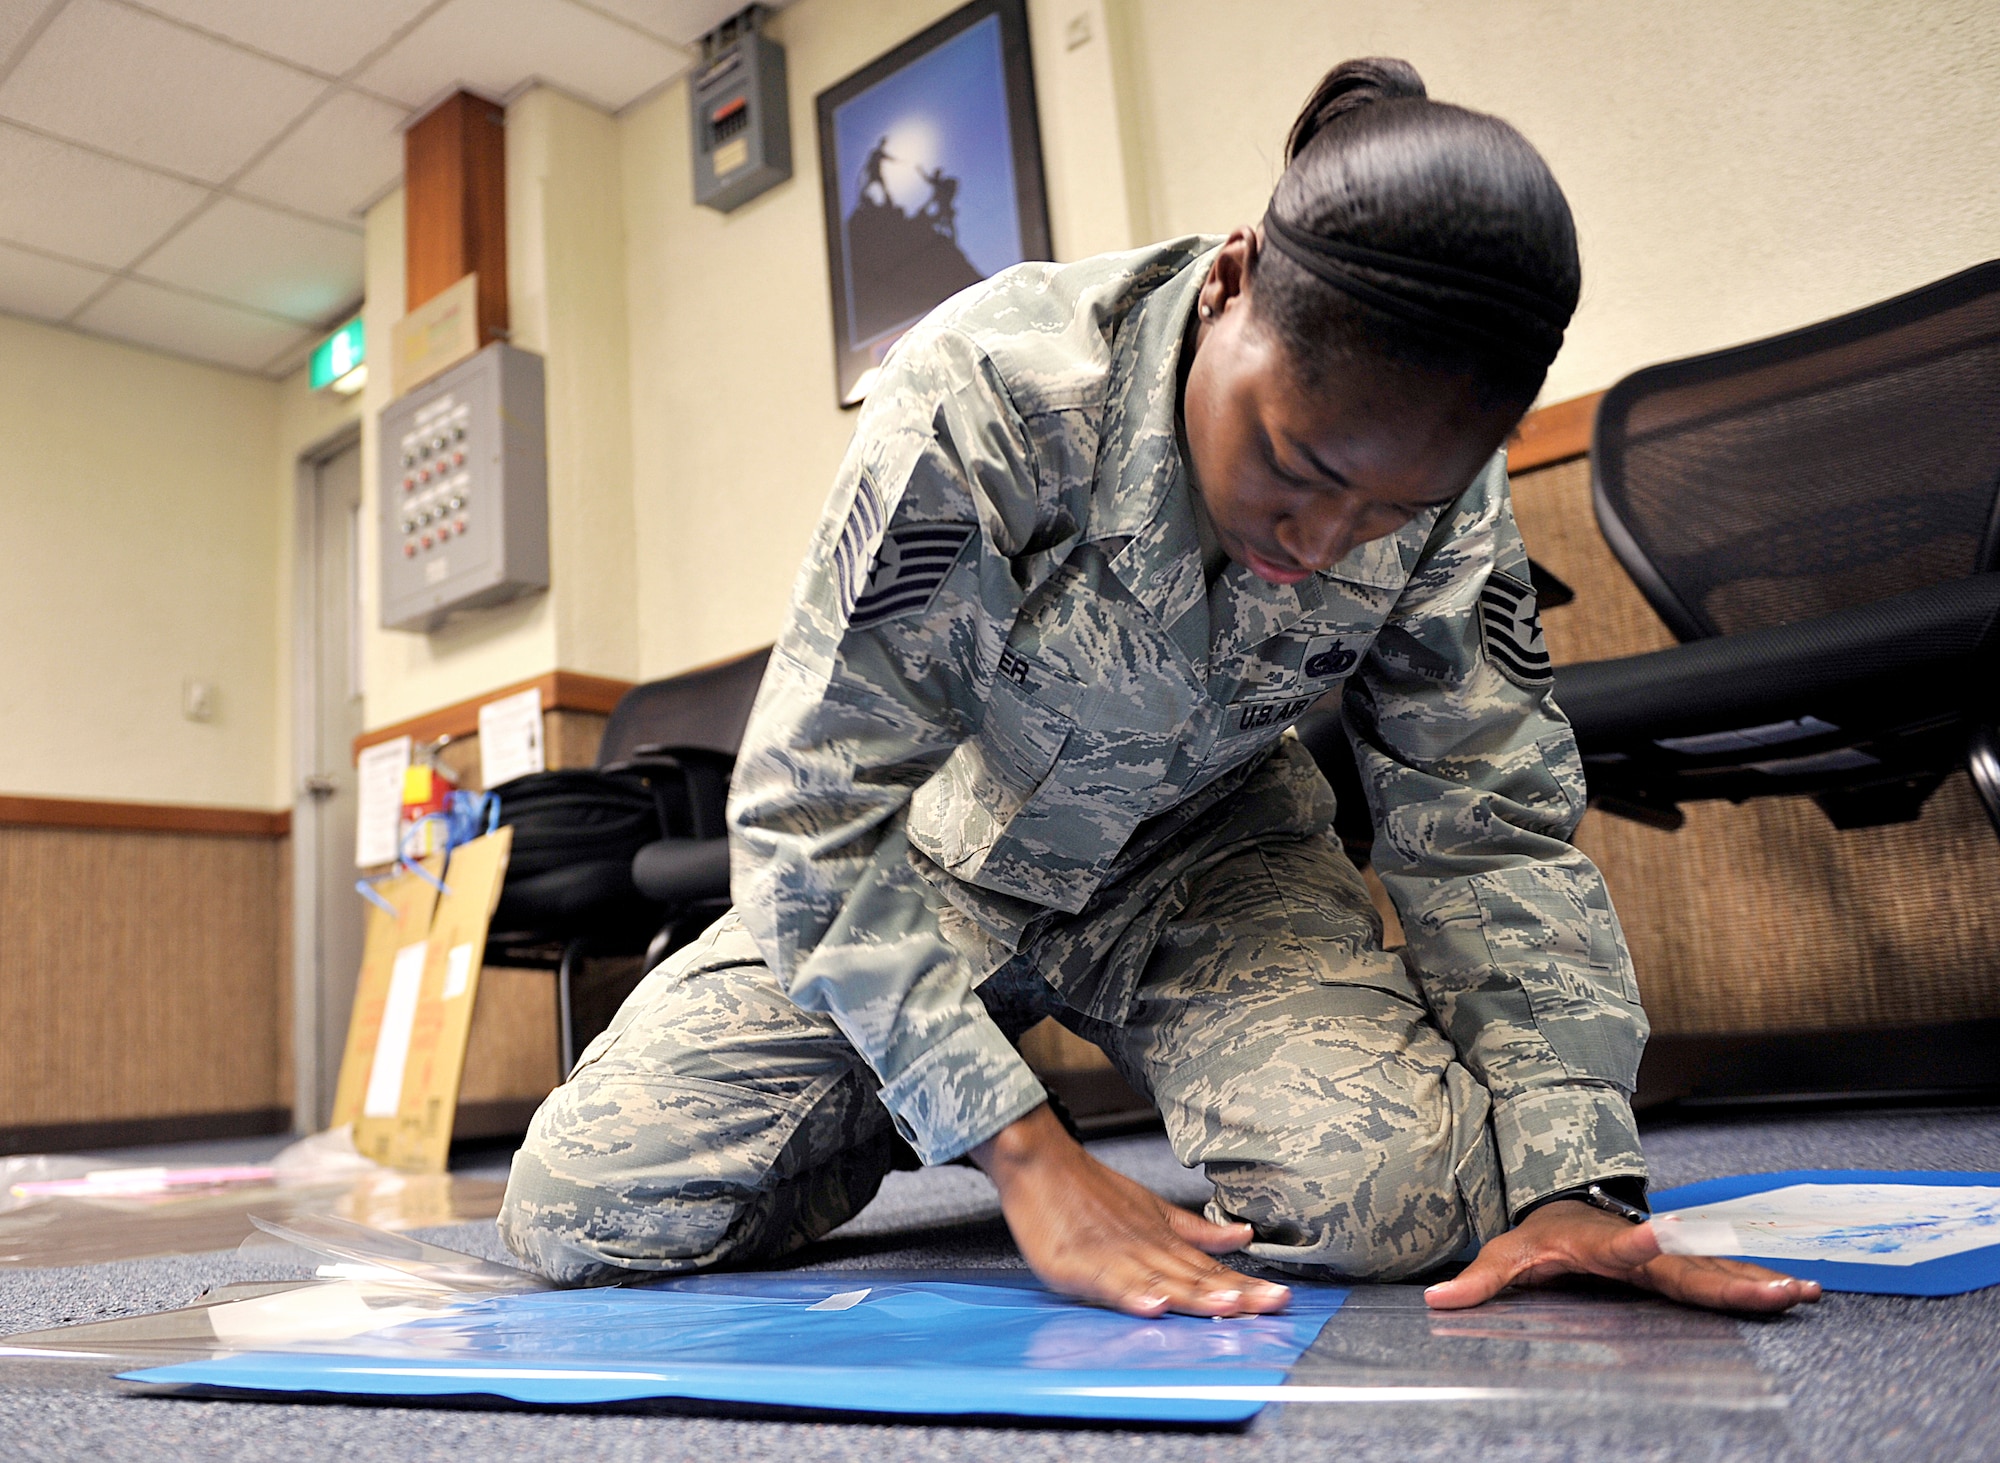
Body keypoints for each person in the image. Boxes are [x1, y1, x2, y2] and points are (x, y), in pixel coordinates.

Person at [500, 58, 1821, 1321]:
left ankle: (934, 1080)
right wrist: (1020, 1147)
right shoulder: (993, 392)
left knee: (1399, 1207)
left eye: (1382, 513)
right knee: (582, 1208)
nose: (1322, 542)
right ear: (1230, 286)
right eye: (1296, 467)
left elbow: (1485, 817)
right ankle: (910, 1088)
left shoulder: (1442, 488)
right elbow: (811, 806)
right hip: (940, 866)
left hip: (1213, 867)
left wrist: (1578, 1179)